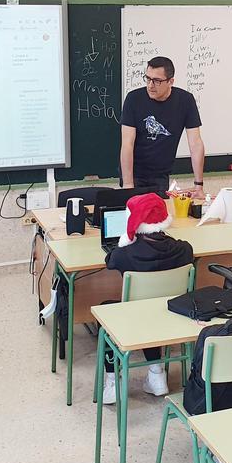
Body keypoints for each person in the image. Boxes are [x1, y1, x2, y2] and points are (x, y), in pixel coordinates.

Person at [100, 193, 194, 403]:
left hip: (137, 318)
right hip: (174, 315)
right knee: (152, 308)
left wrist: (126, 242)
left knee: (106, 308)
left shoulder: (124, 254)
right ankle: (156, 375)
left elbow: (110, 260)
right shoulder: (184, 249)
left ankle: (113, 382)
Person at [120, 55, 205, 196]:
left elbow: (195, 143)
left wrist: (198, 185)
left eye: (157, 81)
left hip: (161, 175)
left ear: (171, 81)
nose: (150, 85)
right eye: (148, 78)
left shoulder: (185, 101)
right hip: (134, 174)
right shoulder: (133, 99)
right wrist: (128, 185)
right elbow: (127, 144)